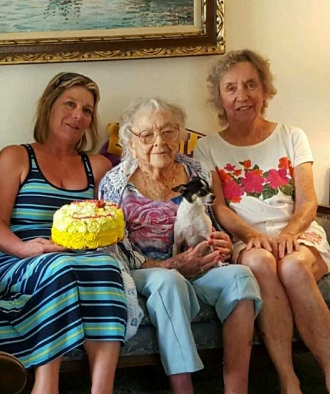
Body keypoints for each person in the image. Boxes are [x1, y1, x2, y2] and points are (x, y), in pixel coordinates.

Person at [194, 49, 330, 394]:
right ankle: (288, 378)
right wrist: (252, 235)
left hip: (299, 233)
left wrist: (291, 233)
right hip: (245, 240)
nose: (242, 95)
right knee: (262, 263)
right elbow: (218, 208)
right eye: (231, 88)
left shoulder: (292, 135)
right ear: (219, 97)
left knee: (293, 268)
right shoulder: (207, 148)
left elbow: (309, 199)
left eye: (251, 84)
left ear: (265, 90)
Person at [99, 97, 262, 394]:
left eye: (168, 131)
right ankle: (183, 388)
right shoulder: (115, 182)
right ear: (131, 144)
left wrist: (222, 242)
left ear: (180, 136)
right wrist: (169, 265)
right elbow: (114, 245)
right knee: (168, 281)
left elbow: (210, 219)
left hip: (198, 265)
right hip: (146, 271)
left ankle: (237, 386)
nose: (159, 142)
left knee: (241, 277)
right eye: (147, 135)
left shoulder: (196, 171)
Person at [0, 72, 128, 394]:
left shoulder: (98, 167)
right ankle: (45, 385)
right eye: (70, 104)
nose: (78, 115)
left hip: (83, 258)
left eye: (87, 110)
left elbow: (109, 222)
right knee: (59, 267)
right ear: (49, 107)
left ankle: (102, 389)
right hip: (18, 257)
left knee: (107, 267)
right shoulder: (16, 156)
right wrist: (27, 249)